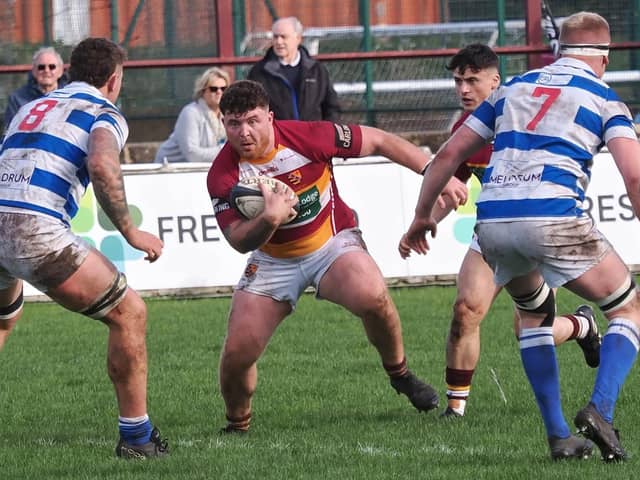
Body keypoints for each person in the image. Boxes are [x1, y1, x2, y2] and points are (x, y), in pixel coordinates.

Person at [402, 12, 640, 462]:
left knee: (532, 317)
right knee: (629, 308)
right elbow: (635, 175)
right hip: (551, 217)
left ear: (559, 51)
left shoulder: (513, 88)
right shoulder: (606, 98)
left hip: (493, 222)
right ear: (603, 59)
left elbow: (449, 153)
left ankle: (559, 437)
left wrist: (419, 217)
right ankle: (601, 411)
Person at [207, 80, 467, 433]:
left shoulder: (308, 137)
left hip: (331, 243)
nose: (244, 132)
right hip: (272, 260)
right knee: (237, 354)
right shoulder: (222, 173)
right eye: (234, 124)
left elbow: (379, 140)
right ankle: (238, 424)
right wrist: (270, 218)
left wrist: (435, 173)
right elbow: (237, 240)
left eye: (252, 120)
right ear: (223, 124)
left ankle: (400, 374)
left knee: (374, 297)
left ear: (270, 117)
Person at [399, 44, 601, 420]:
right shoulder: (465, 127)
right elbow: (452, 188)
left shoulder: (526, 116)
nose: (463, 89)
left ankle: (581, 326)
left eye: (472, 80)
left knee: (528, 332)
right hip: (492, 232)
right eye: (458, 81)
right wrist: (425, 222)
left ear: (496, 81)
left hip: (539, 227)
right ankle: (455, 409)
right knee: (465, 310)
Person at [0, 37, 168, 459]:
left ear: (71, 71)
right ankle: (137, 439)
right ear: (114, 79)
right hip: (33, 228)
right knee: (130, 314)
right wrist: (131, 231)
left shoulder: (29, 107)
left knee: (3, 320)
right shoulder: (103, 111)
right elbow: (102, 164)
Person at [247, 16, 340, 122]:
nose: (279, 41)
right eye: (275, 37)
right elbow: (253, 108)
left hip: (312, 136)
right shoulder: (259, 72)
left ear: (298, 39)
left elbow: (331, 107)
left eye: (283, 37)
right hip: (279, 136)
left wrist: (326, 133)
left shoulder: (317, 70)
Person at [154, 67, 230, 164]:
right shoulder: (190, 113)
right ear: (202, 91)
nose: (219, 92)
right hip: (169, 168)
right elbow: (192, 155)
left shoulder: (226, 114)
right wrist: (225, 150)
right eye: (213, 89)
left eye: (224, 88)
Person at [4, 46, 68, 132]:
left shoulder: (71, 96)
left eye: (52, 67)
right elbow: (10, 131)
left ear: (60, 71)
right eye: (41, 67)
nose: (46, 70)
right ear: (34, 71)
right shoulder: (17, 98)